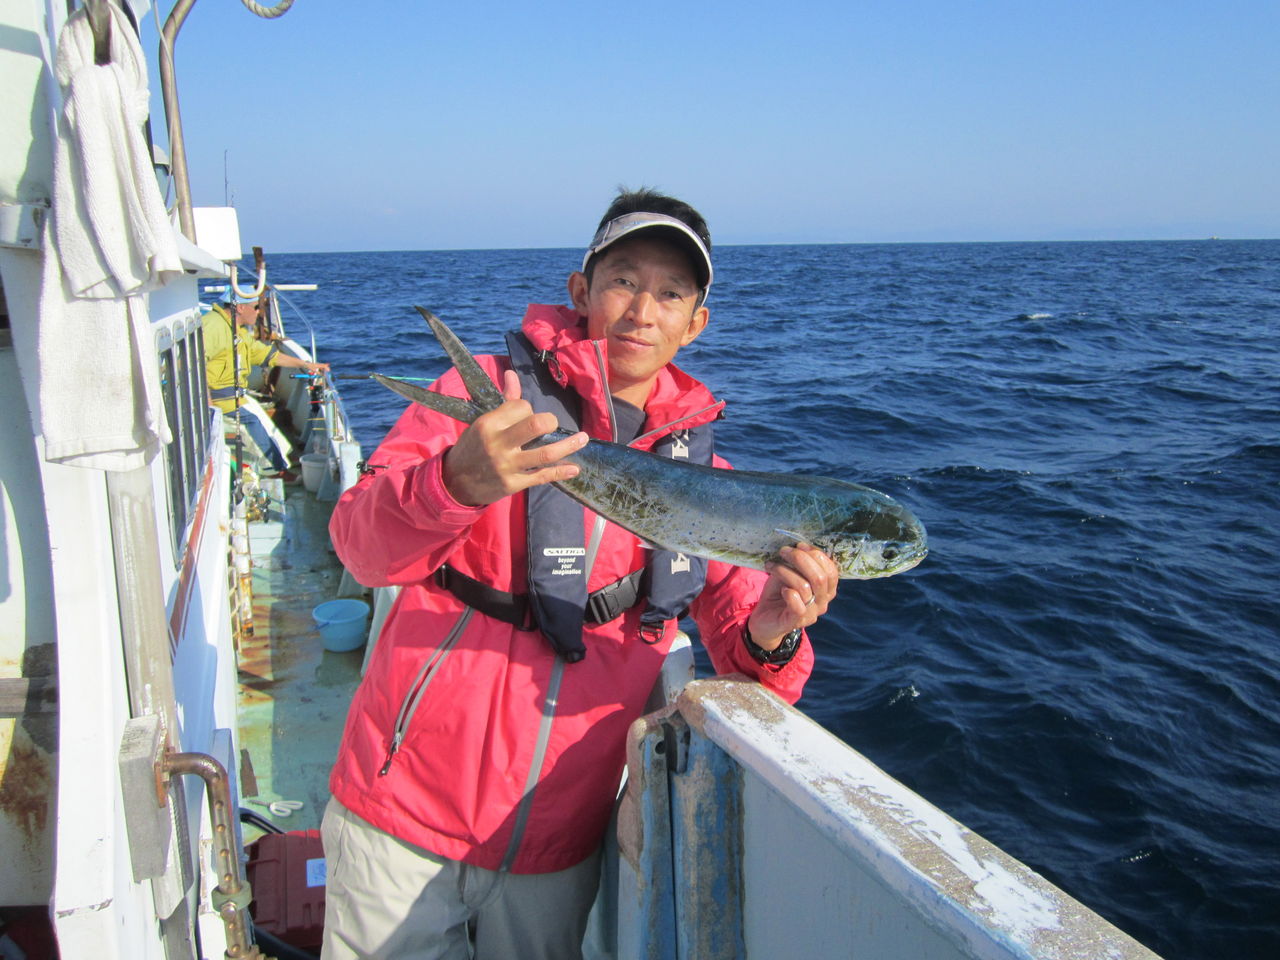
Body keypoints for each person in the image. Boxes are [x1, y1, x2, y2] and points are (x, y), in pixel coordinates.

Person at [322, 188, 839, 960]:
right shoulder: (490, 403)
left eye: (670, 293)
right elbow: (361, 549)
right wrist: (454, 482)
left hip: (556, 850)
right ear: (581, 291)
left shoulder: (709, 481)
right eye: (624, 280)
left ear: (695, 323)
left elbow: (752, 670)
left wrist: (772, 635)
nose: (642, 310)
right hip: (399, 814)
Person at [202, 288, 329, 481]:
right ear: (241, 307)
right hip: (219, 399)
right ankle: (275, 470)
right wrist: (208, 403)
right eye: (256, 307)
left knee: (258, 415)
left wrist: (306, 364)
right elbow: (195, 363)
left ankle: (283, 457)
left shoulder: (237, 331)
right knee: (251, 421)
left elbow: (267, 355)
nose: (259, 312)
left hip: (233, 395)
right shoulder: (213, 327)